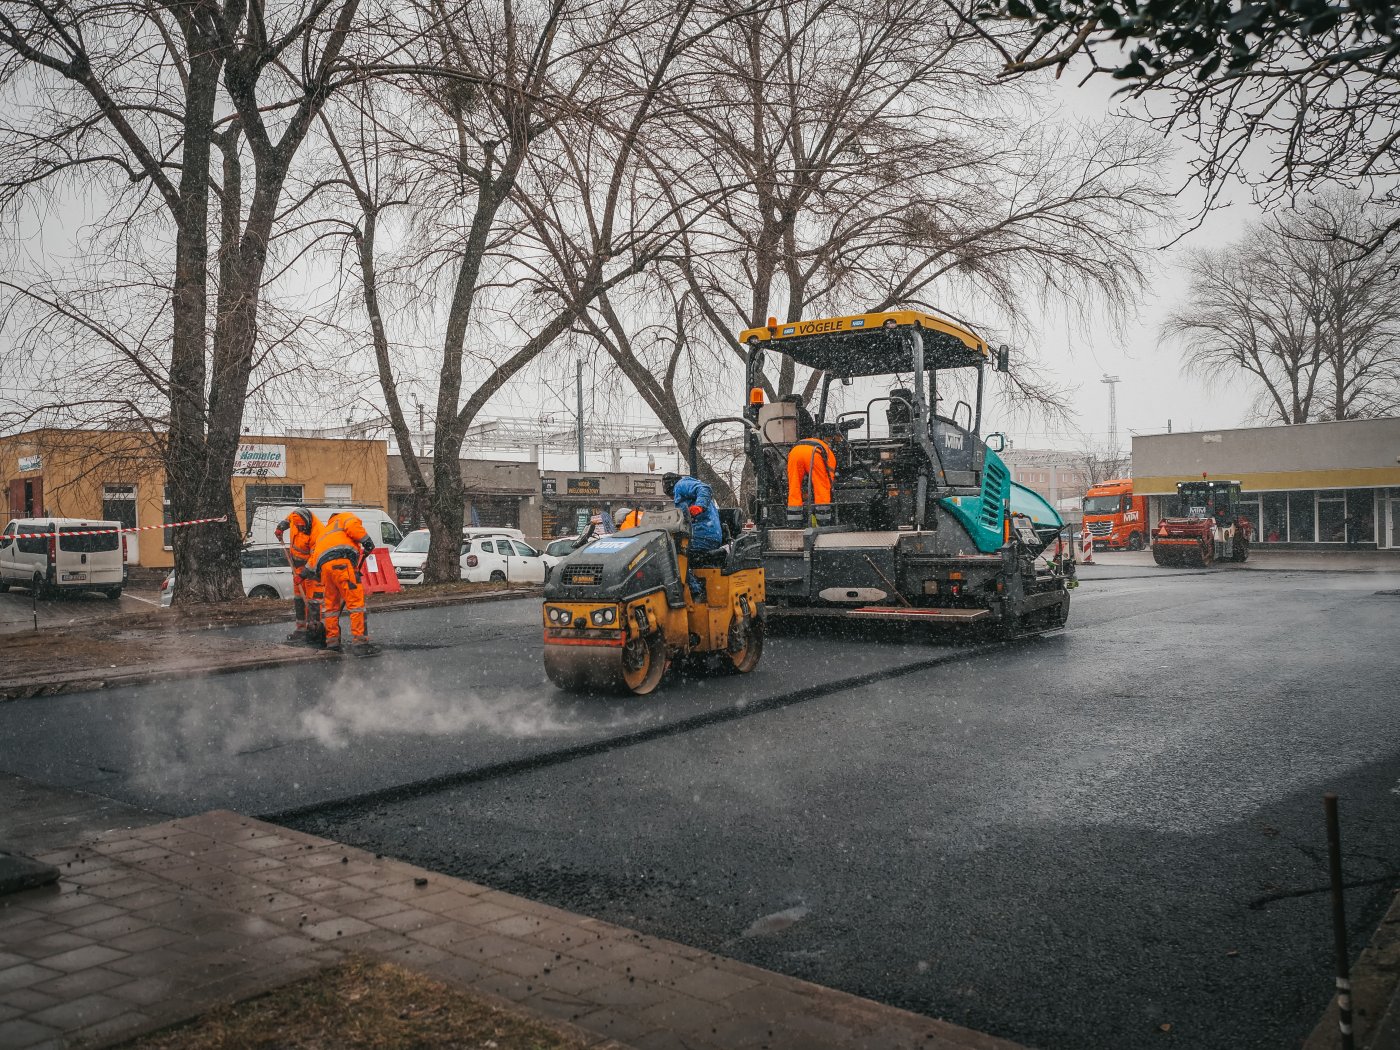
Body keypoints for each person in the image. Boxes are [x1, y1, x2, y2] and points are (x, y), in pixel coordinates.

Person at [302, 510, 378, 655]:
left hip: (326, 570)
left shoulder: (324, 533)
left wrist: (302, 574)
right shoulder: (344, 517)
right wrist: (367, 542)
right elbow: (353, 527)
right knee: (356, 605)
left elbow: (312, 560)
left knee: (331, 608)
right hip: (342, 564)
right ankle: (360, 643)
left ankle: (332, 642)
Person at [275, 507, 323, 644]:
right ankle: (301, 629)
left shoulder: (318, 532)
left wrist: (303, 574)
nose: (299, 528)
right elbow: (289, 519)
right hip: (297, 567)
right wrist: (280, 528)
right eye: (297, 526)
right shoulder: (296, 517)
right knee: (299, 599)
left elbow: (315, 558)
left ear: (307, 522)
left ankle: (313, 629)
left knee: (313, 601)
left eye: (302, 526)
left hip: (312, 571)